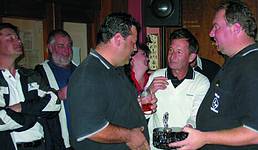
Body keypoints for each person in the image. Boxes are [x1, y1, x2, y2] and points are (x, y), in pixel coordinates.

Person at [169, 1, 258, 149]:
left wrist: (204, 138)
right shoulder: (237, 61)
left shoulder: (252, 65)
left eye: (216, 27)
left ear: (236, 29)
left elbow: (255, 132)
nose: (211, 33)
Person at [67, 12, 157, 150]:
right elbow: (90, 128)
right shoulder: (88, 74)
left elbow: (114, 110)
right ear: (118, 39)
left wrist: (137, 106)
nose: (134, 49)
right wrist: (130, 136)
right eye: (132, 43)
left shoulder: (115, 69)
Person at [145, 28, 210, 150]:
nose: (172, 56)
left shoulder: (201, 82)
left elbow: (197, 115)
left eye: (179, 52)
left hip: (185, 145)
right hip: (156, 147)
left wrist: (189, 127)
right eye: (171, 50)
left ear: (191, 57)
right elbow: (142, 114)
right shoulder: (156, 76)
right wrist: (149, 91)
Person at [0, 23, 61, 150]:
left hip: (42, 145)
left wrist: (21, 107)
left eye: (18, 38)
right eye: (10, 38)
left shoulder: (30, 75)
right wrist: (35, 114)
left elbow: (54, 102)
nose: (19, 41)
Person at [35, 29, 76, 150]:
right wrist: (58, 95)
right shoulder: (38, 74)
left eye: (69, 46)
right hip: (56, 141)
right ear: (50, 48)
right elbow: (37, 107)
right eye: (61, 46)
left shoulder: (80, 70)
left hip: (83, 139)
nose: (67, 51)